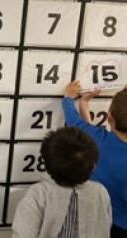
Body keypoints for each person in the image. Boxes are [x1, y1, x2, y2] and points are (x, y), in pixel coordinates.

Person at [12, 127, 111, 238]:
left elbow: (23, 233)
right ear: (93, 166)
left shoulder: (39, 194)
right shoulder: (100, 192)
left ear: (46, 162)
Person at [63, 81, 127, 238]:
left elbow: (73, 120)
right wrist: (84, 104)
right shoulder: (97, 140)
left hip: (98, 222)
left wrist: (68, 98)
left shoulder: (98, 140)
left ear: (109, 117)